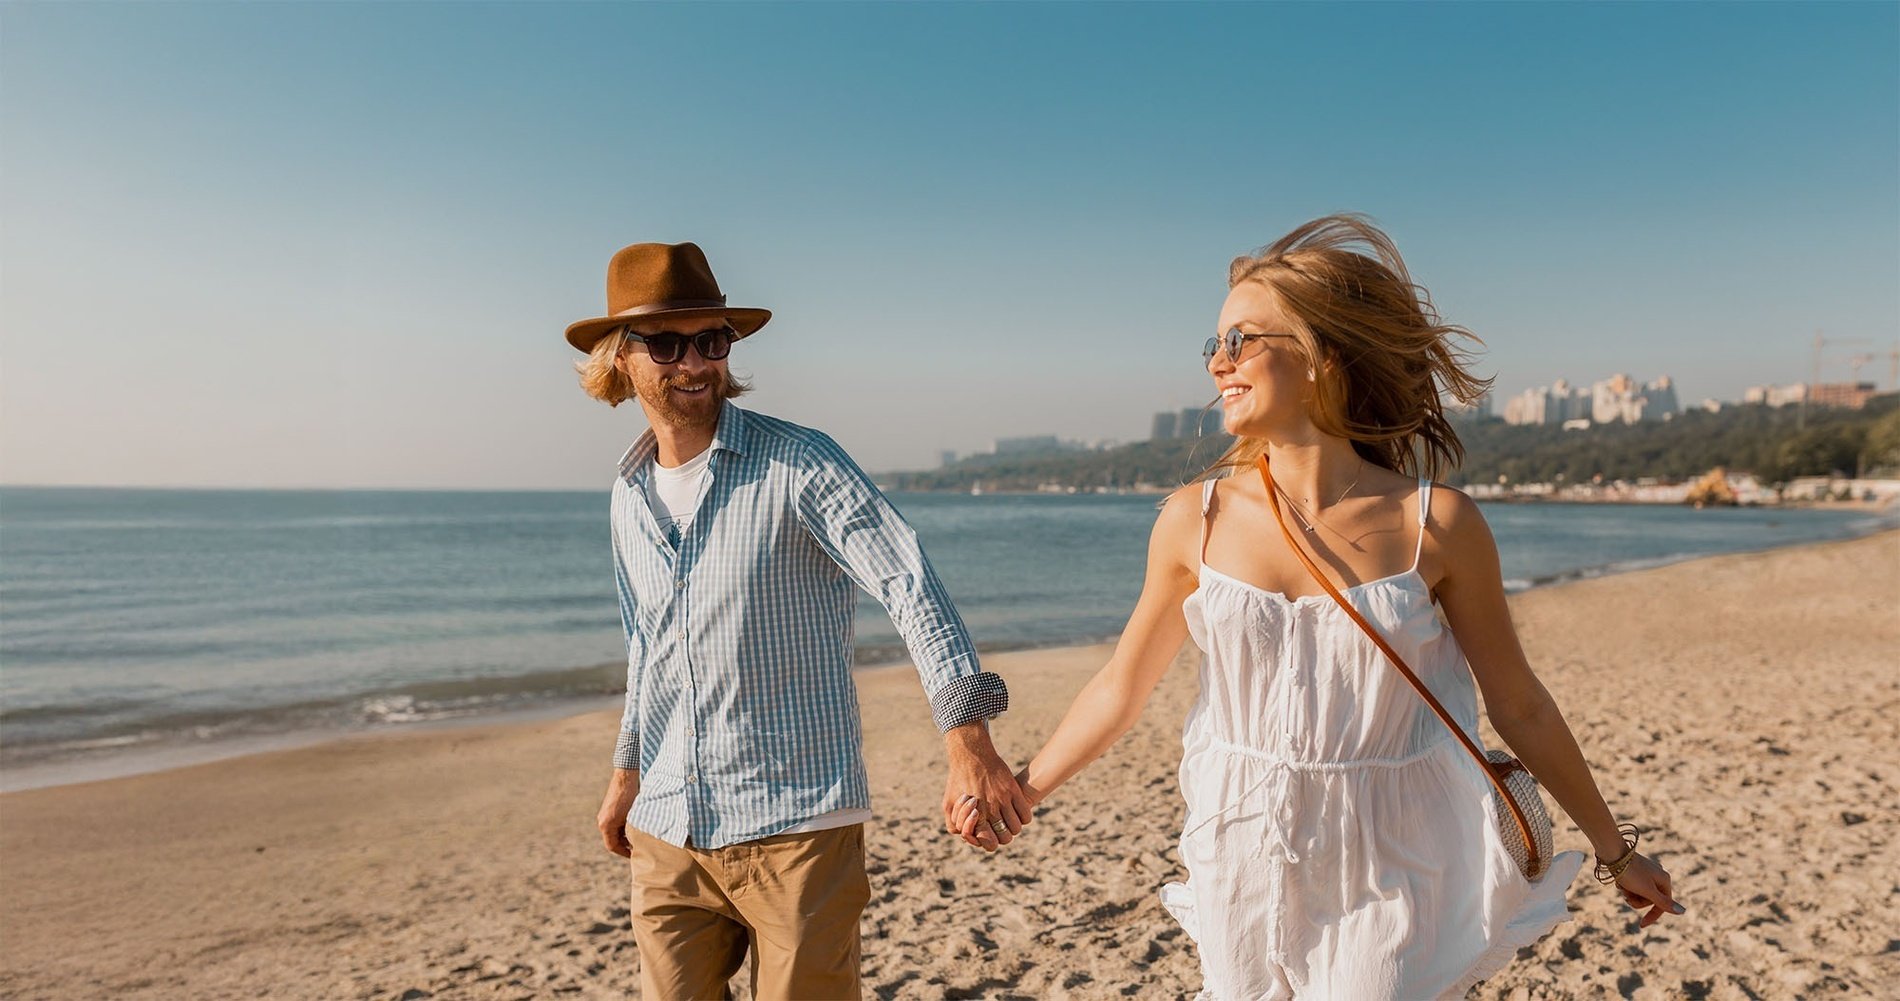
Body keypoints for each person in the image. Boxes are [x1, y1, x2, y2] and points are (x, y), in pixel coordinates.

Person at [954, 216, 1683, 998]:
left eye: (1241, 340)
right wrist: (1024, 788)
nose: (1218, 363)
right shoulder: (1190, 520)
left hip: (1394, 849)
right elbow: (1122, 686)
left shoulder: (1435, 525)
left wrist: (1615, 851)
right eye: (1213, 345)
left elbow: (1520, 703)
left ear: (1323, 357)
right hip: (1240, 839)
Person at [570, 241, 1030, 1000]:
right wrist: (626, 776)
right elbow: (645, 649)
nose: (694, 362)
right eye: (667, 343)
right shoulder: (628, 494)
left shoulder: (801, 464)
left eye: (711, 340)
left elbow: (908, 581)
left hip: (798, 826)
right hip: (669, 830)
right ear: (621, 360)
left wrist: (969, 741)